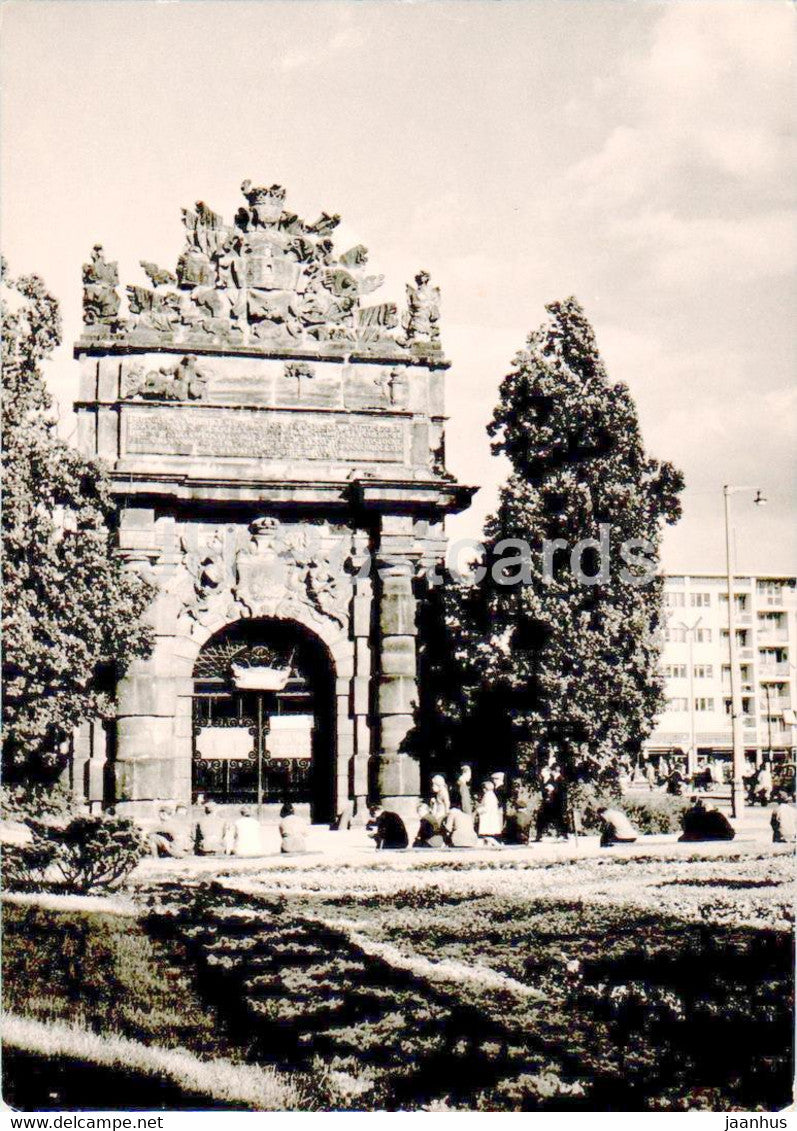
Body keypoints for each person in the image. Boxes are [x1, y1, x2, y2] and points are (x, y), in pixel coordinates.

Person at [535, 770, 569, 841]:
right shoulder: (547, 783)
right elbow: (545, 791)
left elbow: (560, 795)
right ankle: (539, 834)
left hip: (556, 806)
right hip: (548, 806)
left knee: (561, 818)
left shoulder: (558, 784)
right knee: (541, 818)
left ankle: (563, 834)